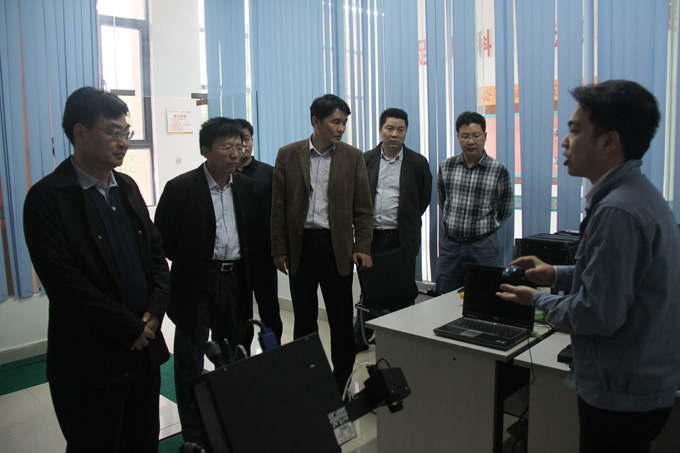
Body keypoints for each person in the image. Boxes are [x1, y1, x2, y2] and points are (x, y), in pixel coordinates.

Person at [497, 80, 680, 452]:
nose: (565, 142)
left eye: (575, 130)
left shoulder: (617, 212)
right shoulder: (638, 196)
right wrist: (556, 274)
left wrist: (536, 299)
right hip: (639, 382)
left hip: (620, 393)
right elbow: (620, 279)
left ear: (609, 141)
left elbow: (597, 313)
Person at [23, 87, 170, 452]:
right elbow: (63, 282)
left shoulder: (126, 186)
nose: (124, 142)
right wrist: (128, 327)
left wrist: (155, 309)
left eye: (126, 132)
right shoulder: (48, 197)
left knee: (142, 441)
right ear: (80, 133)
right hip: (89, 358)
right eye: (113, 132)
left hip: (143, 349)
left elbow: (155, 253)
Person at [154, 118, 254, 444]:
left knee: (231, 356)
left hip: (234, 279)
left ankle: (229, 427)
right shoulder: (181, 188)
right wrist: (194, 260)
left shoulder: (246, 186)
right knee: (190, 360)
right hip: (195, 282)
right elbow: (163, 241)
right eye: (226, 147)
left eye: (239, 146)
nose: (235, 154)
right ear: (205, 150)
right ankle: (194, 436)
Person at [271, 94, 374, 392]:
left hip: (336, 248)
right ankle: (308, 381)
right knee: (304, 321)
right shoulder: (288, 154)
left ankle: (341, 383)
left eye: (344, 123)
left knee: (341, 321)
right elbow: (278, 207)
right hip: (300, 247)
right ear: (316, 121)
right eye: (335, 122)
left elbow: (363, 209)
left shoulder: (352, 156)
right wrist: (279, 248)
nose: (341, 128)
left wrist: (362, 246)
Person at [354, 108, 432, 352]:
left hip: (401, 239)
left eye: (400, 129)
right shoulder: (365, 160)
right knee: (370, 292)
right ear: (380, 130)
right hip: (371, 238)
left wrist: (406, 221)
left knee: (401, 293)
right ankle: (361, 337)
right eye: (389, 128)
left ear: (406, 131)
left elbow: (422, 200)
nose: (395, 134)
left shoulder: (417, 163)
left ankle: (399, 343)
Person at [435, 111, 513, 293]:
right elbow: (443, 200)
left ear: (484, 136)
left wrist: (486, 227)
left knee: (485, 296)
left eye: (476, 136)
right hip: (451, 246)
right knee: (444, 295)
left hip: (483, 247)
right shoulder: (446, 166)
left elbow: (505, 209)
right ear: (458, 137)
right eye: (465, 136)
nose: (471, 141)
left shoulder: (498, 170)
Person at [234, 118, 283, 343]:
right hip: (235, 260)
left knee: (269, 311)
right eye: (238, 140)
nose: (243, 144)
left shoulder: (268, 173)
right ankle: (243, 357)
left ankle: (273, 355)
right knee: (239, 314)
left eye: (247, 138)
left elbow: (280, 214)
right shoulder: (224, 175)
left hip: (263, 256)